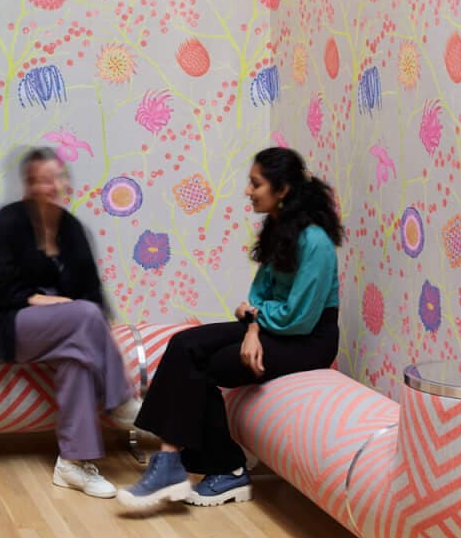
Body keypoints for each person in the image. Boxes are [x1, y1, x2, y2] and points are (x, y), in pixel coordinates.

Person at [120, 148, 343, 511]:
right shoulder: (279, 227)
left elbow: (298, 317)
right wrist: (252, 328)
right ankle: (169, 461)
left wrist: (255, 321)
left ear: (282, 189)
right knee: (185, 343)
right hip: (273, 327)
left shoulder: (314, 241)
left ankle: (227, 468)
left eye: (256, 184)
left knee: (208, 366)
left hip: (309, 339)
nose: (248, 191)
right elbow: (258, 295)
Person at [0, 148, 141, 499]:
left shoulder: (72, 228)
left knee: (77, 356)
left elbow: (91, 291)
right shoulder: (5, 223)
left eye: (55, 179)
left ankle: (72, 463)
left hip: (66, 327)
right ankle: (121, 399)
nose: (49, 187)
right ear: (28, 185)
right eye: (40, 180)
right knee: (84, 316)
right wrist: (44, 300)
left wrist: (91, 326)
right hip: (8, 322)